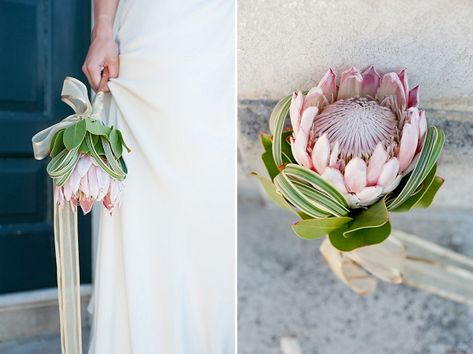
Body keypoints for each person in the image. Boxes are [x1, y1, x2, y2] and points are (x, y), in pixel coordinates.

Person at [82, 1, 235, 353]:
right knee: (141, 198)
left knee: (212, 189)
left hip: (221, 33)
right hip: (151, 35)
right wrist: (102, 27)